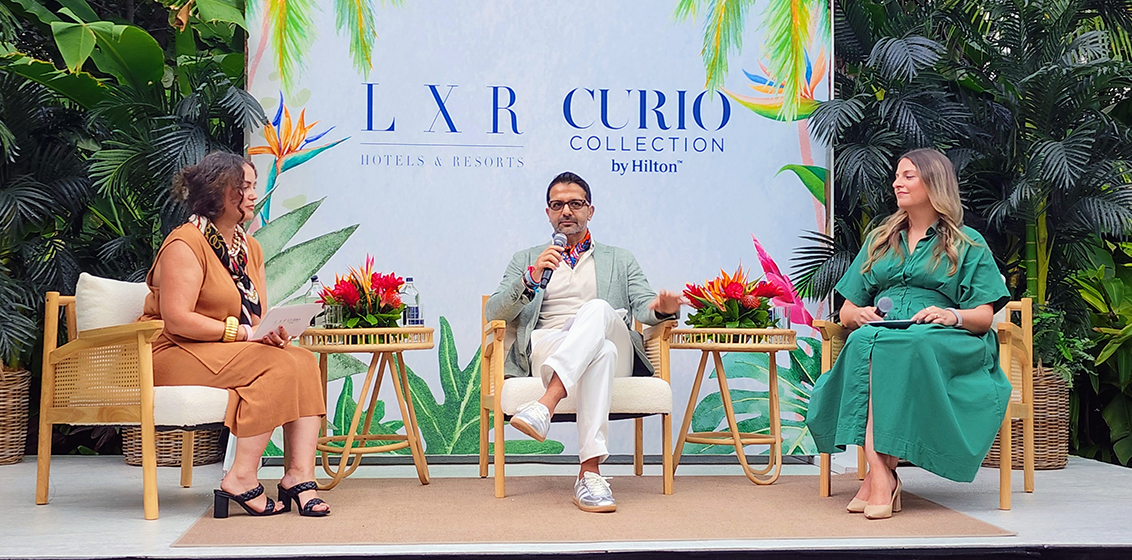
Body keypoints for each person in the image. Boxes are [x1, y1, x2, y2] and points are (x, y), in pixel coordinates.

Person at [806, 148, 1012, 519]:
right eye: (897, 176)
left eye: (908, 176)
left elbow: (983, 316)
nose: (897, 183)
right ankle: (881, 474)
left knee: (907, 343)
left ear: (934, 183)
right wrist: (858, 315)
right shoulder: (881, 238)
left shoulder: (967, 243)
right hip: (885, 334)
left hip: (943, 338)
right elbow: (847, 308)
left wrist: (950, 315)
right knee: (865, 340)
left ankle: (877, 478)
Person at [139, 152, 330, 518]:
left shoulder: (249, 247)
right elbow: (177, 320)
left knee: (302, 360)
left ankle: (299, 476)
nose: (254, 195)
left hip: (224, 350)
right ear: (217, 192)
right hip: (172, 352)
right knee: (276, 366)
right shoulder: (185, 244)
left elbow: (256, 317)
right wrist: (241, 333)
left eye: (253, 186)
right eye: (244, 187)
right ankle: (240, 477)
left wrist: (271, 334)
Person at [485, 171, 683, 513]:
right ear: (548, 213)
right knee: (600, 352)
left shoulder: (620, 259)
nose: (566, 211)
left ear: (590, 211)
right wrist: (530, 278)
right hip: (551, 346)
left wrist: (663, 310)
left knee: (598, 310)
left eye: (575, 203)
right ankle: (590, 475)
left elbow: (644, 306)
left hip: (613, 338)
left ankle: (545, 404)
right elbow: (494, 311)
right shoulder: (527, 259)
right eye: (557, 205)